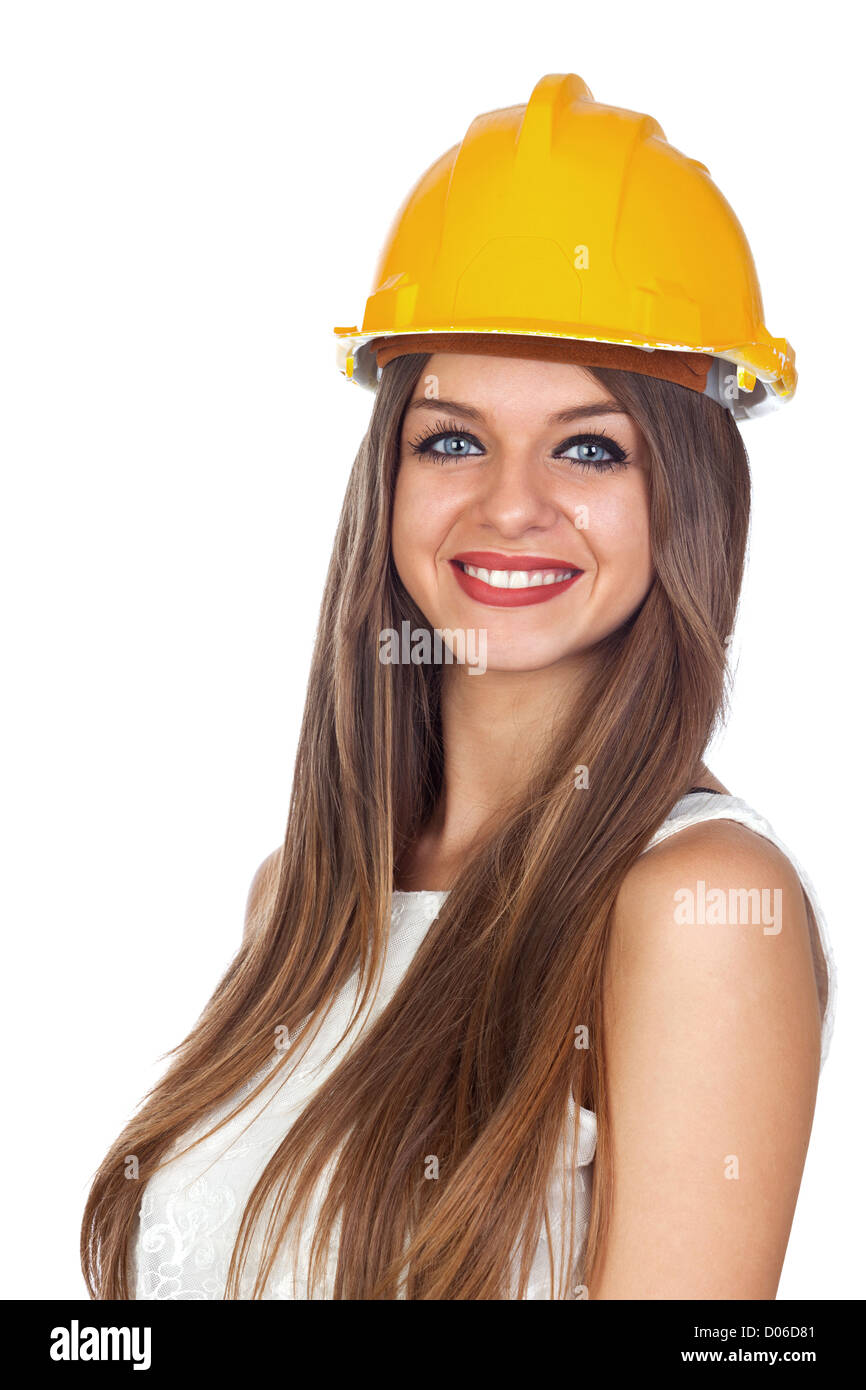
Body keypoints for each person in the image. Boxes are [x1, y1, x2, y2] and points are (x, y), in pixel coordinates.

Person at [81, 72, 836, 1301]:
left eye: (589, 445)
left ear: (686, 497)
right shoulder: (303, 897)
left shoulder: (700, 907)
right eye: (451, 436)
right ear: (389, 475)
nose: (508, 505)